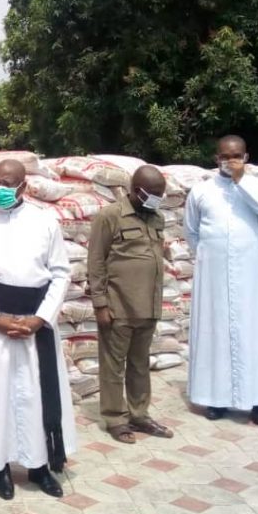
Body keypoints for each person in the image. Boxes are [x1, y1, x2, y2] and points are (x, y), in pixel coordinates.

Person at [0, 159, 76, 501]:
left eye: (8, 183)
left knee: (34, 393)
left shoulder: (44, 222)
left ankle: (40, 467)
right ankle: (0, 469)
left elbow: (60, 272)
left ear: (24, 187)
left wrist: (41, 317)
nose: (1, 188)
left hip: (36, 322)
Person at [184, 135, 258, 425]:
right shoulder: (201, 191)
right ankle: (216, 400)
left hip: (252, 276)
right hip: (213, 275)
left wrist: (242, 180)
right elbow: (191, 231)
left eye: (236, 156)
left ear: (246, 157)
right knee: (214, 334)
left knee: (256, 334)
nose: (230, 161)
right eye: (224, 156)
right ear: (215, 158)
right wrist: (211, 256)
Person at [88, 166, 175, 444]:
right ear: (137, 191)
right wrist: (100, 304)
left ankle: (140, 415)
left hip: (148, 307)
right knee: (113, 366)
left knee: (139, 364)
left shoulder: (157, 218)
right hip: (118, 307)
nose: (158, 199)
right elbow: (96, 262)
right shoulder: (110, 216)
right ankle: (115, 418)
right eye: (154, 194)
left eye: (161, 194)